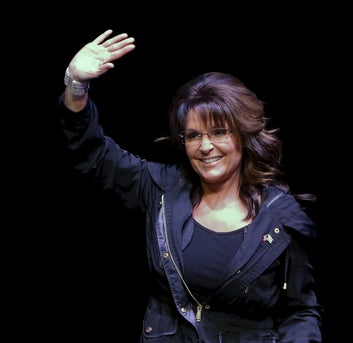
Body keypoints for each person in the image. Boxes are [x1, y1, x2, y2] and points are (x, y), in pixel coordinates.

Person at [57, 29, 323, 342]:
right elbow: (96, 155)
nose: (205, 146)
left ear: (243, 136)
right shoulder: (162, 189)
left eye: (219, 132)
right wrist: (76, 86)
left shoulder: (282, 218)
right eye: (194, 135)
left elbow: (301, 312)